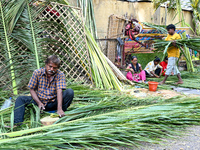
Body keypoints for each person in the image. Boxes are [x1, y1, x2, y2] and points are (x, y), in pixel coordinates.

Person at [14, 55, 74, 125]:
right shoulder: (37, 72)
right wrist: (39, 102)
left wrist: (59, 108)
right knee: (20, 99)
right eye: (50, 66)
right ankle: (17, 123)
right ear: (46, 64)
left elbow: (59, 91)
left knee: (69, 92)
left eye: (54, 68)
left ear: (57, 68)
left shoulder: (60, 75)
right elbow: (32, 89)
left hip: (54, 102)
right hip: (40, 103)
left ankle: (59, 112)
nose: (51, 69)